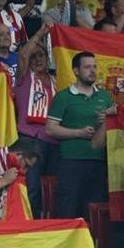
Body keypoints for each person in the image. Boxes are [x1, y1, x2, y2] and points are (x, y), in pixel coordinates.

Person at [46, 52, 113, 218]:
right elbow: (50, 129)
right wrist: (78, 133)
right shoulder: (63, 97)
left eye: (94, 67)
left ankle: (91, 244)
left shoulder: (105, 97)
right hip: (71, 161)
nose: (92, 71)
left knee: (94, 211)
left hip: (99, 162)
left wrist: (111, 115)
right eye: (87, 67)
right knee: (68, 209)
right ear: (76, 70)